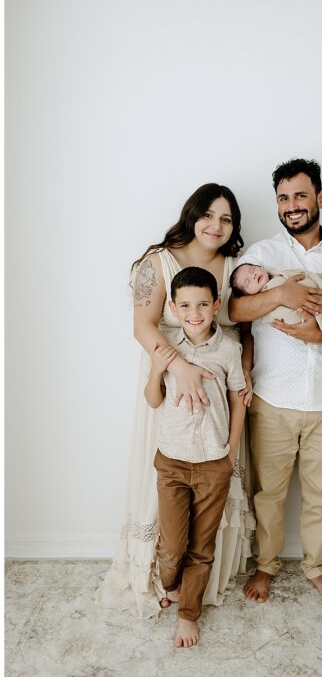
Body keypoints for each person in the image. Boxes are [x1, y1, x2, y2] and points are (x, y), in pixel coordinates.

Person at [96, 183, 254, 619]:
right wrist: (178, 367)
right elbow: (142, 326)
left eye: (227, 219)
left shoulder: (234, 266)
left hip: (217, 401)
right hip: (166, 382)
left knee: (211, 488)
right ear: (192, 215)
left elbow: (242, 329)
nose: (216, 226)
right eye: (209, 215)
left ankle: (200, 583)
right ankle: (163, 572)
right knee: (166, 489)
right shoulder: (157, 262)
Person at [229, 158, 322, 606]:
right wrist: (282, 294)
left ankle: (316, 567)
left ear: (320, 198)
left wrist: (320, 333)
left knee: (321, 495)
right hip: (273, 397)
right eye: (284, 198)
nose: (292, 206)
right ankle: (265, 566)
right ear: (277, 204)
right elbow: (234, 311)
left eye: (301, 195)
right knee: (268, 493)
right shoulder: (261, 254)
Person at [145, 267, 246, 647]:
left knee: (202, 547)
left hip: (213, 462)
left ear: (216, 305)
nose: (195, 312)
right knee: (173, 546)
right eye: (185, 305)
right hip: (171, 460)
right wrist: (158, 369)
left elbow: (238, 398)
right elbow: (152, 399)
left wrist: (230, 451)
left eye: (203, 304)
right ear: (172, 308)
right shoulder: (167, 349)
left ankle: (188, 614)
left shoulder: (229, 350)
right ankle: (170, 585)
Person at [229, 263, 322, 355]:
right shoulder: (266, 310)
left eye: (252, 269)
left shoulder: (278, 275)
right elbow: (234, 312)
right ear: (247, 295)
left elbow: (306, 278)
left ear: (261, 267)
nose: (252, 276)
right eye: (247, 282)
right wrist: (281, 294)